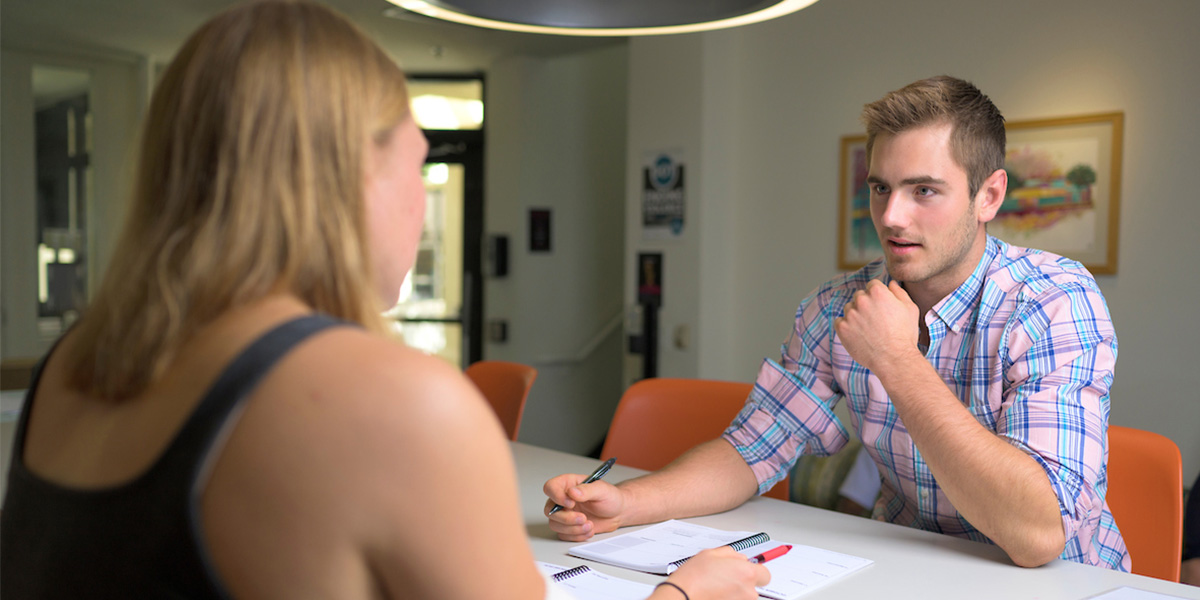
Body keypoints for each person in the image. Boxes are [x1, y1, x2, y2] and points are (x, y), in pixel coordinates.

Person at [0, 2, 768, 599]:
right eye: (418, 159)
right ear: (346, 176)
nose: (419, 196)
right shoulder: (392, 401)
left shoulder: (70, 364)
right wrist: (684, 589)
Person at [545, 75, 1129, 572]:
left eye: (924, 190)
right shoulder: (835, 306)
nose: (892, 217)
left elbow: (1037, 534)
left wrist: (897, 360)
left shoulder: (1055, 300)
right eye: (880, 188)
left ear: (989, 195)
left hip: (1062, 584)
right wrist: (626, 503)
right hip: (911, 569)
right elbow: (751, 450)